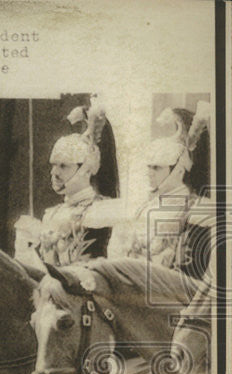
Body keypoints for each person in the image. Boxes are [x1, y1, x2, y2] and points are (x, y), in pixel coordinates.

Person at [111, 102, 212, 280]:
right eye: (149, 167)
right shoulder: (143, 207)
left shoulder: (197, 209)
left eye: (157, 168)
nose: (149, 173)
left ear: (179, 170)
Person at [15, 97, 119, 267]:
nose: (54, 172)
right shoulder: (52, 213)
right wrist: (24, 245)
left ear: (86, 168)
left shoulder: (100, 209)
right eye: (54, 165)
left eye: (63, 166)